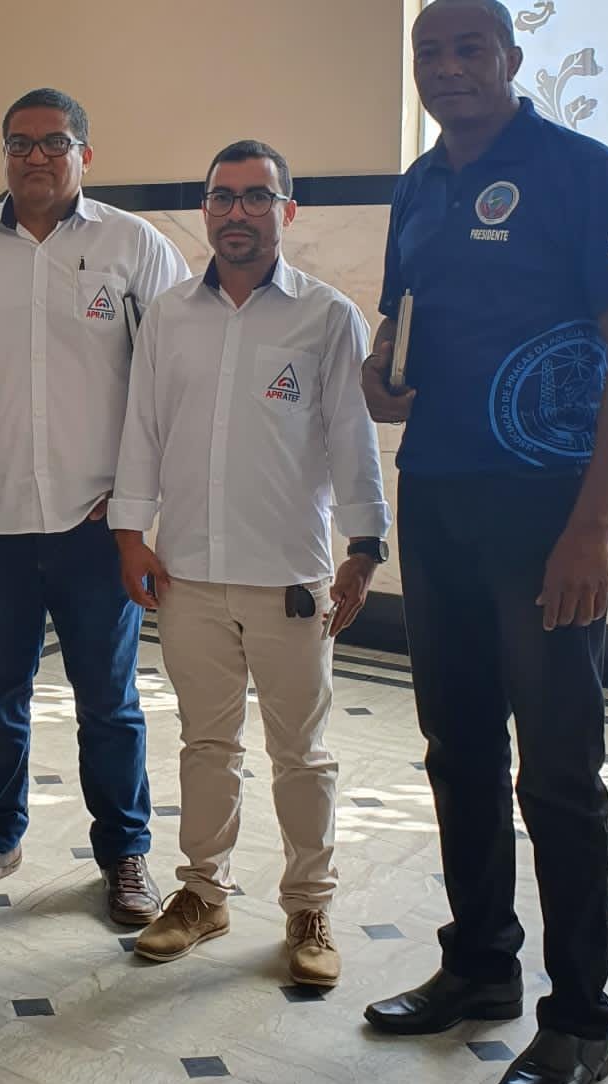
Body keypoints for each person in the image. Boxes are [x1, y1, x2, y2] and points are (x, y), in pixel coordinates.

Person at [360, 0, 608, 1084]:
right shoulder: (417, 186)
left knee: (558, 773)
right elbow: (398, 326)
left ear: (510, 57)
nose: (446, 67)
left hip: (546, 514)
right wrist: (378, 376)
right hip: (436, 497)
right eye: (428, 51)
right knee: (457, 748)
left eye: (467, 48)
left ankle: (578, 1020)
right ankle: (480, 963)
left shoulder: (587, 175)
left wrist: (590, 525)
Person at [110, 140, 390, 983]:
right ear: (205, 210)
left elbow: (351, 438)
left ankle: (309, 906)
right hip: (188, 572)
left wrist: (365, 545)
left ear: (287, 211)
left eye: (256, 197)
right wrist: (130, 532)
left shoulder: (326, 316)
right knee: (206, 743)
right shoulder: (169, 315)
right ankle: (203, 893)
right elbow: (142, 429)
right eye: (222, 197)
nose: (238, 212)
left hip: (290, 577)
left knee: (301, 753)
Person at [0, 88, 190, 925]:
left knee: (109, 699)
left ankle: (125, 854)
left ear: (84, 155)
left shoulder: (135, 246)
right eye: (20, 143)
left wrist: (137, 504)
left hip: (95, 525)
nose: (36, 156)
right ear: (3, 153)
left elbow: (172, 381)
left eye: (54, 142)